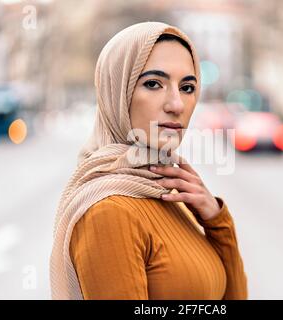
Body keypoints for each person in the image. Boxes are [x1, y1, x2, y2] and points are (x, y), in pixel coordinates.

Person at [49, 21, 248, 300]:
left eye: (188, 87)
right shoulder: (109, 212)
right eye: (153, 84)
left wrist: (216, 219)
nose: (176, 104)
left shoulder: (170, 193)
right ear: (117, 91)